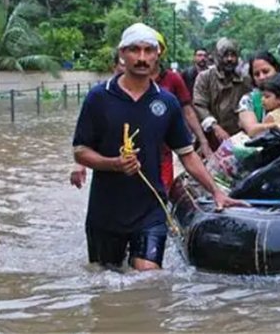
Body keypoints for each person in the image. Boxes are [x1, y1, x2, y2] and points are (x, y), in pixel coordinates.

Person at [72, 23, 248, 271]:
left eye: (148, 51)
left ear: (157, 55)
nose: (142, 58)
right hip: (106, 210)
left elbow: (187, 155)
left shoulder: (167, 102)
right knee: (105, 280)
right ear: (122, 53)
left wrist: (217, 192)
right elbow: (80, 150)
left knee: (149, 278)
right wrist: (113, 164)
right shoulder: (99, 98)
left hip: (150, 208)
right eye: (134, 50)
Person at [151, 31, 212, 190]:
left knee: (163, 195)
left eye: (152, 48)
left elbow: (188, 110)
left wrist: (202, 140)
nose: (145, 55)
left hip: (164, 150)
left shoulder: (173, 79)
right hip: (130, 155)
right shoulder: (123, 83)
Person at [70, 51, 126, 189]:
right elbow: (85, 138)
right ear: (114, 66)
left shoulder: (159, 95)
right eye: (123, 64)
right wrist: (79, 163)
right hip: (109, 178)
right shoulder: (99, 96)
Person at [193, 38, 252, 150]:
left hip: (239, 140)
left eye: (233, 55)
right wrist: (215, 127)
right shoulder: (205, 77)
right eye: (225, 55)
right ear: (218, 57)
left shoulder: (245, 80)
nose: (229, 59)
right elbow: (199, 105)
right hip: (210, 138)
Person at [236, 51, 280, 137]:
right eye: (257, 74)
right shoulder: (248, 100)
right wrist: (278, 125)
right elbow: (252, 131)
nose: (262, 77)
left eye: (266, 71)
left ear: (276, 70)